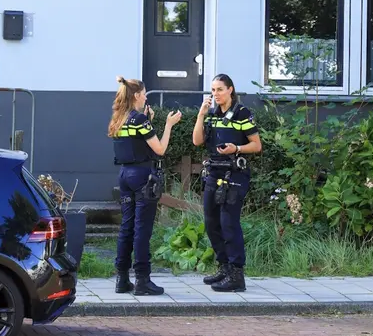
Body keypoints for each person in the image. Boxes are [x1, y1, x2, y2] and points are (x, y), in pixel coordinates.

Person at [108, 76, 182, 296]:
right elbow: (159, 149)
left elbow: (134, 144)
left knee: (126, 227)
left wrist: (146, 119)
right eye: (145, 94)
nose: (146, 97)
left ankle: (121, 279)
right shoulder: (139, 120)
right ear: (137, 95)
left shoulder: (119, 119)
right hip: (142, 176)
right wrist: (168, 125)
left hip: (124, 175)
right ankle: (143, 280)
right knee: (142, 229)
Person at [192, 74, 261, 292]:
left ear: (230, 90)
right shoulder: (211, 114)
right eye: (213, 90)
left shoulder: (242, 113)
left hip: (234, 173)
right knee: (211, 221)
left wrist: (237, 148)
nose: (216, 94)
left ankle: (236, 275)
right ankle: (223, 267)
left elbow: (256, 145)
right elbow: (197, 141)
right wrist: (201, 115)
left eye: (220, 90)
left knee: (228, 223)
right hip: (213, 172)